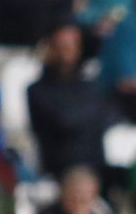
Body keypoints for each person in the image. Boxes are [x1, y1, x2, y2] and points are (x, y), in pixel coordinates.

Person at [27, 24, 117, 178]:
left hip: (95, 170)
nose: (66, 52)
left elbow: (107, 119)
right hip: (59, 172)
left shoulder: (93, 86)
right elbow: (64, 121)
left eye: (71, 46)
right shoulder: (37, 90)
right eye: (61, 46)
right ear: (50, 49)